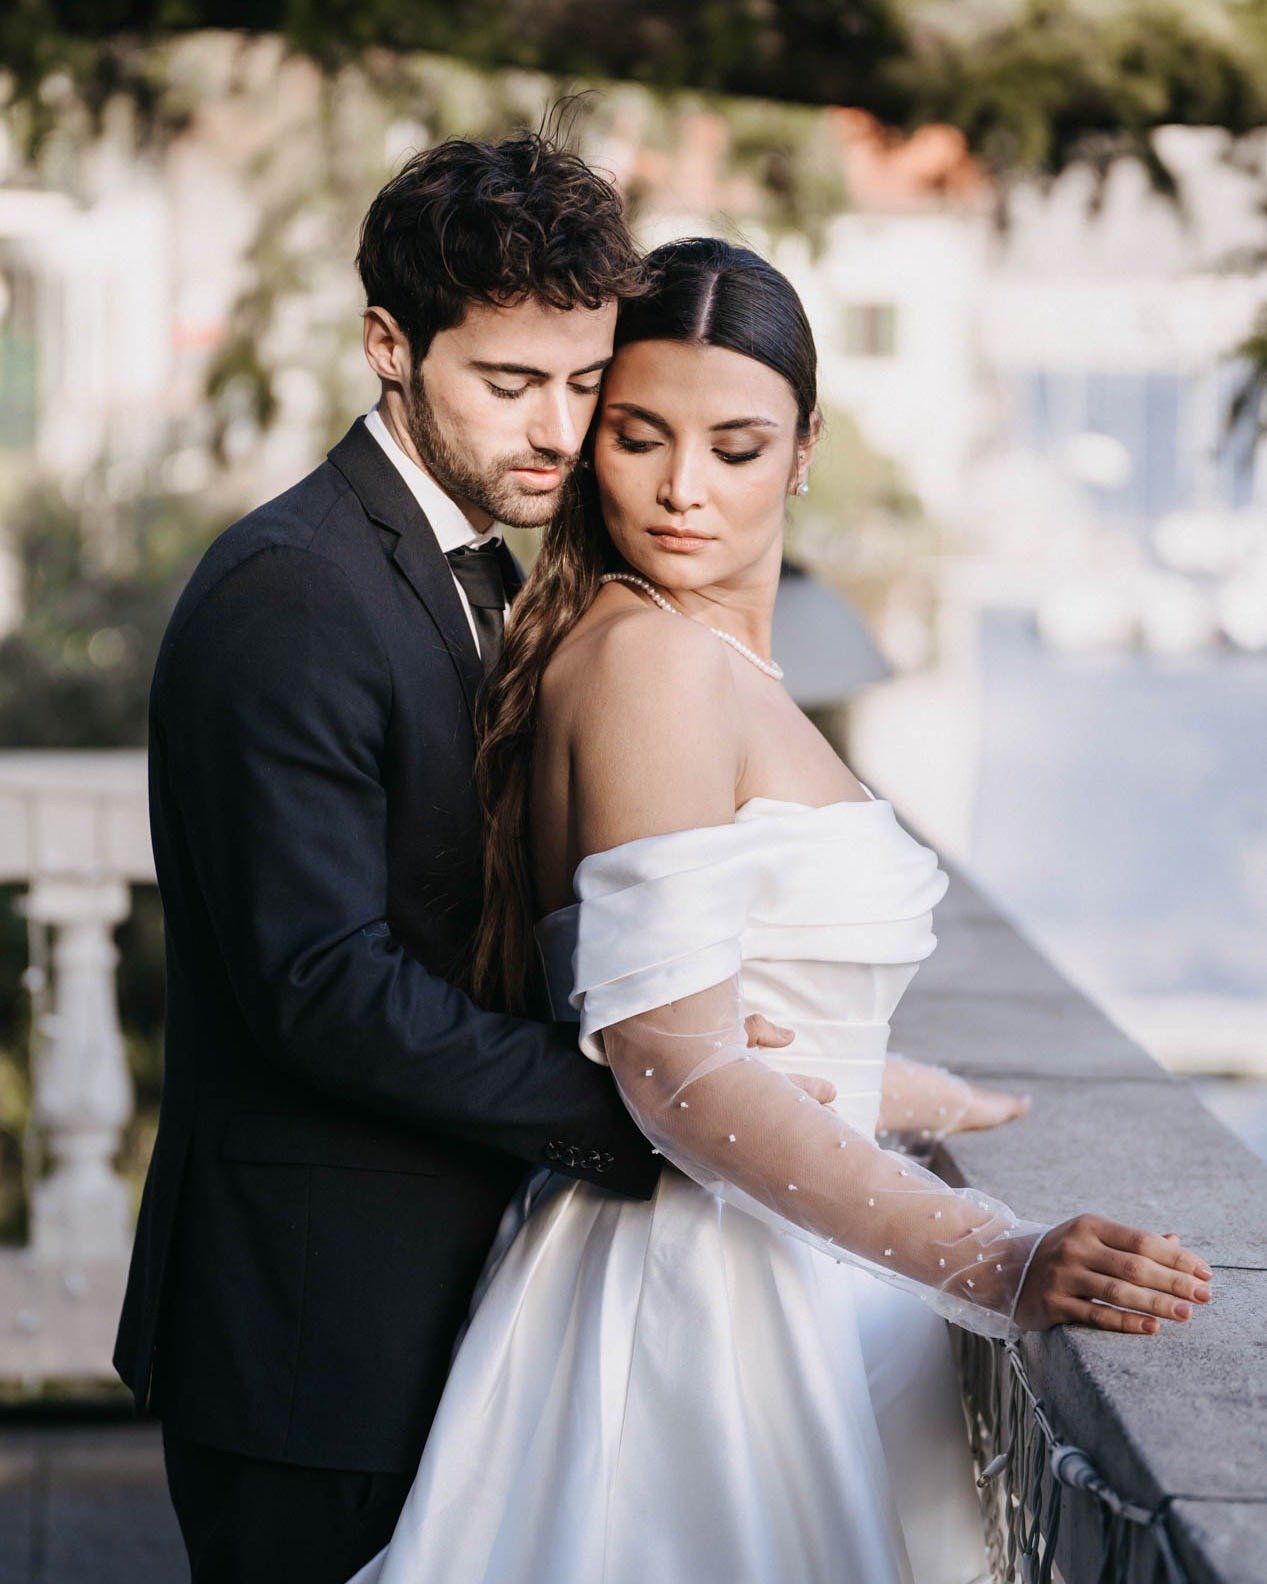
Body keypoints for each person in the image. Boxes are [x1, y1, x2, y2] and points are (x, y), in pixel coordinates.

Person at [350, 238, 1213, 1584]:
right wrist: (1001, 1251)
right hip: (702, 1311)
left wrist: (911, 1089)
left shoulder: (703, 655)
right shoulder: (650, 665)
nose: (684, 489)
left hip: (791, 1269)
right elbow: (674, 1067)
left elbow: (749, 1002)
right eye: (638, 438)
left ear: (806, 447)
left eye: (737, 448)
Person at [115, 132, 707, 1584]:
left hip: (421, 1298)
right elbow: (321, 986)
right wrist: (635, 1111)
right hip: (308, 1331)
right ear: (388, 343)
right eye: (508, 384)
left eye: (581, 384)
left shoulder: (469, 572)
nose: (557, 433)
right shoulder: (294, 597)